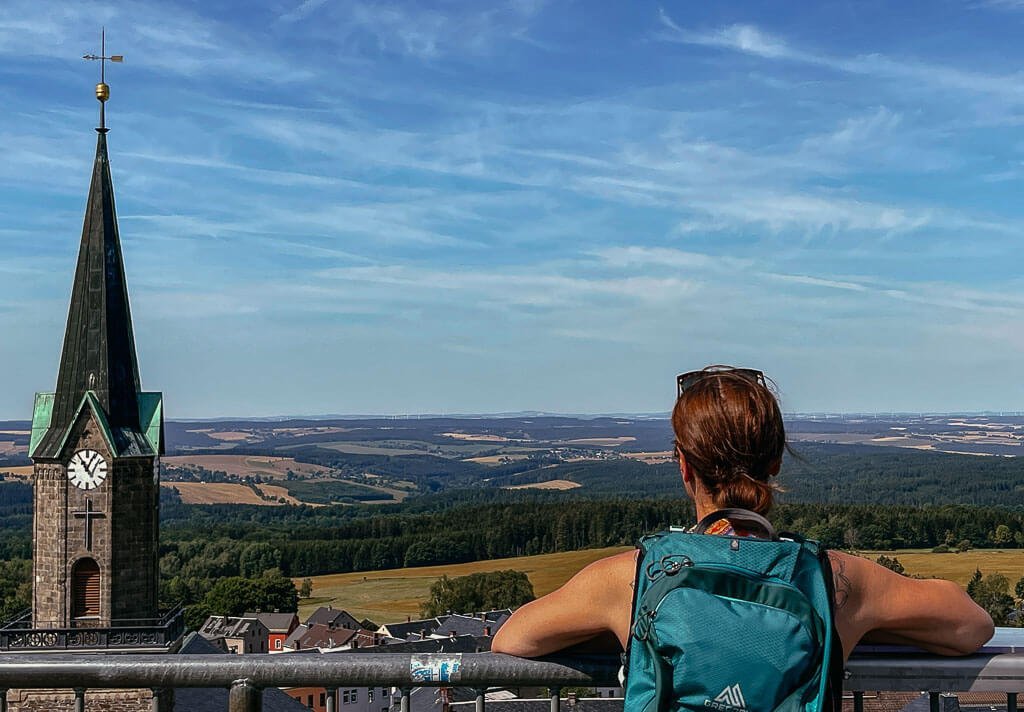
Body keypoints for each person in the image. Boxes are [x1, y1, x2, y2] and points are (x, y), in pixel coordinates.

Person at [491, 366, 994, 661]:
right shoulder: (833, 580)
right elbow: (971, 626)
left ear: (683, 466)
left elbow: (511, 640)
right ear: (775, 462)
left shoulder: (632, 579)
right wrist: (866, 623)